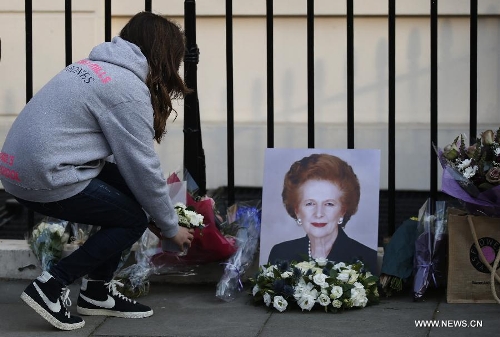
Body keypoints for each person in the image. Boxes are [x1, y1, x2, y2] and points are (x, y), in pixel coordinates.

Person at [0, 12, 194, 331]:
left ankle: (97, 294)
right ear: (163, 54)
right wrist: (171, 227)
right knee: (131, 219)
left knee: (133, 202)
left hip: (23, 168)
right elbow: (142, 168)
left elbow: (132, 174)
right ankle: (50, 287)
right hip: (44, 175)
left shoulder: (95, 67)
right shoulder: (127, 88)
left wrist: (159, 214)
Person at [267, 153, 377, 273]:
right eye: (310, 203)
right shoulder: (281, 253)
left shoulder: (367, 258)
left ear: (343, 211)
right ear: (297, 210)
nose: (319, 213)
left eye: (329, 204)